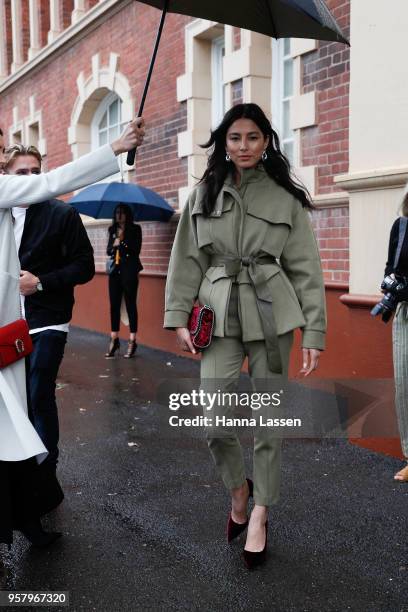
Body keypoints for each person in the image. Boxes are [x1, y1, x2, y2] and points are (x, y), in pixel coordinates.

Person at [164, 104, 326, 569]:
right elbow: (186, 259)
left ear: (267, 141)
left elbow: (307, 270)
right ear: (223, 143)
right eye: (235, 138)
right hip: (218, 312)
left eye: (253, 137)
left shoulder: (285, 198)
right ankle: (240, 491)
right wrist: (178, 316)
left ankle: (260, 513)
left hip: (273, 312)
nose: (244, 146)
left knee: (268, 424)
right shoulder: (203, 194)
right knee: (214, 420)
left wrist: (314, 330)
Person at [0, 118, 145, 547]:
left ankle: (31, 510)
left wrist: (115, 149)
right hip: (10, 329)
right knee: (15, 423)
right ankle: (28, 513)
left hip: (28, 327)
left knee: (27, 410)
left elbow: (54, 185)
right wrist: (115, 146)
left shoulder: (50, 211)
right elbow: (53, 180)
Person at [6, 144, 96, 509]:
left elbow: (84, 267)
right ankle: (22, 476)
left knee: (39, 392)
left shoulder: (61, 214)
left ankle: (45, 478)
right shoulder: (2, 214)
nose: (30, 179)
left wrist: (40, 281)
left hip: (48, 321)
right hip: (8, 323)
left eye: (35, 172)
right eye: (21, 173)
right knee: (16, 402)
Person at [384, 192, 408, 482]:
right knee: (405, 386)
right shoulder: (401, 226)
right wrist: (392, 284)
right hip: (405, 313)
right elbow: (390, 267)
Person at [105, 204, 143, 359]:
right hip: (115, 272)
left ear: (128, 214)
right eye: (117, 212)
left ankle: (132, 340)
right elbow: (108, 250)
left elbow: (136, 249)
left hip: (129, 272)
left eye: (122, 212)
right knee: (114, 305)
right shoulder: (112, 230)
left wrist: (122, 243)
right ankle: (114, 339)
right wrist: (114, 245)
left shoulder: (135, 229)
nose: (119, 215)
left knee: (130, 305)